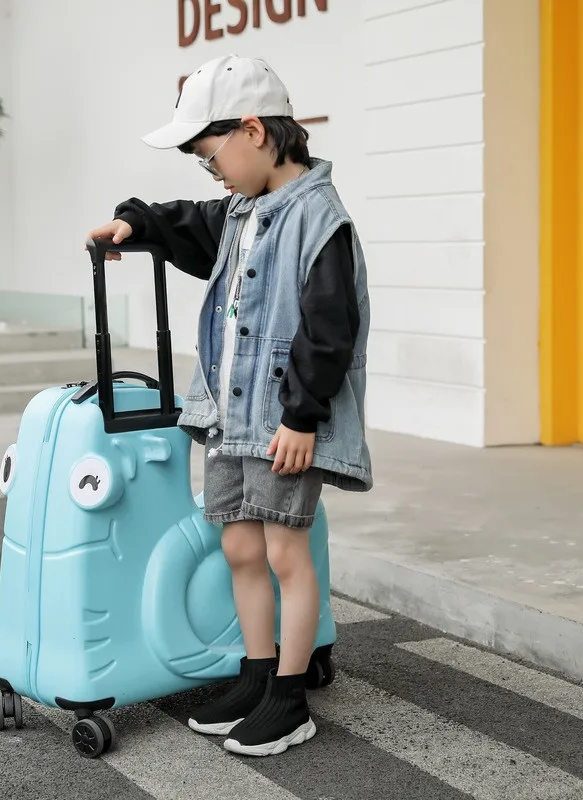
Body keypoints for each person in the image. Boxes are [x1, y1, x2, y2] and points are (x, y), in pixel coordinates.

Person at [86, 53, 372, 757]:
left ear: (254, 131)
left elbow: (330, 330)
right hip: (229, 418)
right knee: (240, 546)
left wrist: (302, 416)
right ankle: (257, 673)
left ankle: (290, 697)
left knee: (284, 552)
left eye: (211, 157)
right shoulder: (243, 210)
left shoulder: (319, 219)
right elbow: (189, 223)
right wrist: (133, 223)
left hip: (281, 425)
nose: (211, 173)